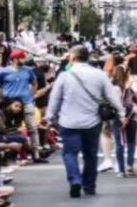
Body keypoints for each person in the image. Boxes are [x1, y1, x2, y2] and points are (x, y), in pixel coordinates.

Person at [45, 45, 123, 198]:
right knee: (90, 154)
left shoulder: (64, 76)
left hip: (68, 121)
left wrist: (49, 116)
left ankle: (75, 179)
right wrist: (121, 112)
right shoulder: (99, 75)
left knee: (69, 153)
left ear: (73, 58)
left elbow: (55, 98)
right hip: (92, 121)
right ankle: (89, 185)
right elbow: (111, 95)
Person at [0, 49, 40, 159]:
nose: (24, 60)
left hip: (26, 102)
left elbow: (34, 83)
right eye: (22, 57)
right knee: (8, 126)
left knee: (32, 127)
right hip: (10, 102)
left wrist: (31, 96)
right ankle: (11, 153)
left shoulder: (28, 70)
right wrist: (2, 96)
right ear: (15, 59)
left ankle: (36, 153)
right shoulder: (4, 72)